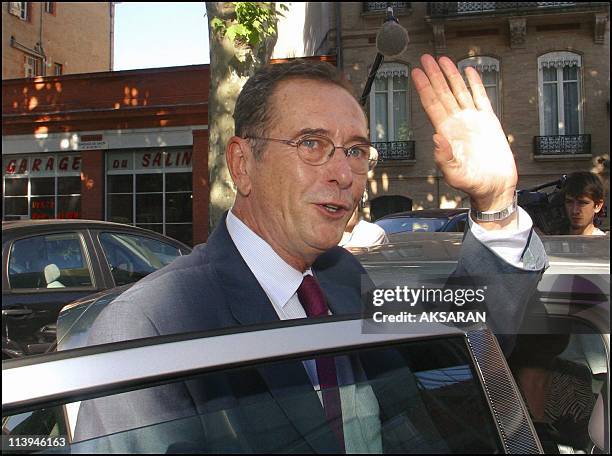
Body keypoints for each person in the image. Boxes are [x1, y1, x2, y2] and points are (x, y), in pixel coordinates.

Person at [74, 55, 547, 452]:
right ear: (242, 164)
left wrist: (495, 204)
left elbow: (458, 343)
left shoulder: (343, 276)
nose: (343, 173)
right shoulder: (150, 324)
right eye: (312, 144)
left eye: (356, 150)